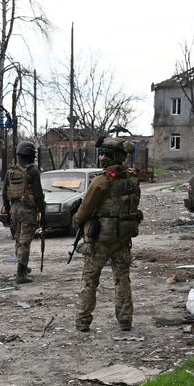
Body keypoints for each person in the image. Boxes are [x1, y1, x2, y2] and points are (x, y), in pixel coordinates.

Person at [71, 135, 142, 332]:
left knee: (90, 280)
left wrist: (76, 221)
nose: (101, 158)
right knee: (122, 279)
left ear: (111, 158)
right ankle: (125, 320)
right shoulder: (132, 178)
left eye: (104, 155)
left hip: (100, 238)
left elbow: (85, 210)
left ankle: (83, 321)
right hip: (123, 236)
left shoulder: (101, 181)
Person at [0, 140, 45, 284]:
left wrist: (8, 211)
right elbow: (38, 194)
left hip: (14, 210)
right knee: (25, 240)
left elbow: (4, 193)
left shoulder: (11, 171)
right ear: (31, 155)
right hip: (28, 210)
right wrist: (42, 211)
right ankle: (21, 274)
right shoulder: (33, 171)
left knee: (19, 239)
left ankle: (23, 267)